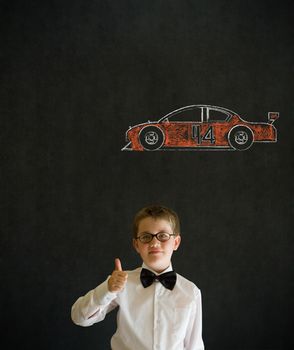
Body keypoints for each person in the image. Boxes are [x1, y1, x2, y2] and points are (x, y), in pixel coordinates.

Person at [71, 205, 204, 350]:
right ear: (136, 245)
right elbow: (79, 318)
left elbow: (194, 345)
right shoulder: (120, 282)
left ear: (176, 242)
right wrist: (107, 289)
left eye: (163, 236)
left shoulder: (191, 292)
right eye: (146, 237)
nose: (154, 243)